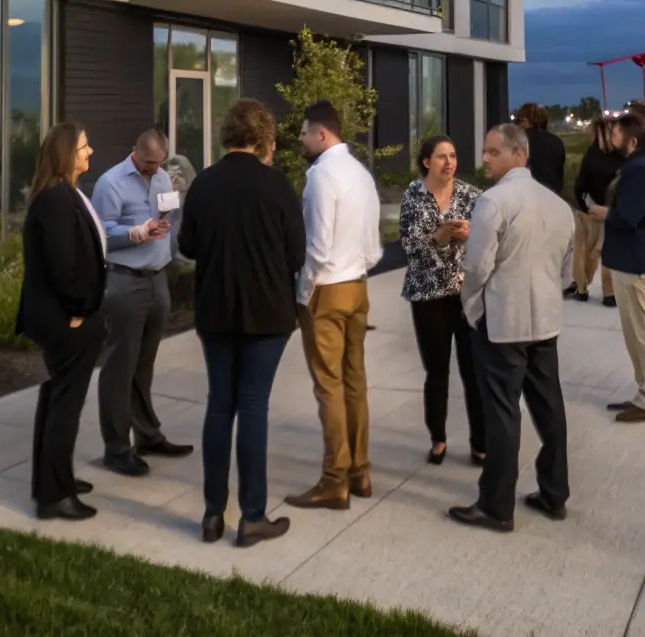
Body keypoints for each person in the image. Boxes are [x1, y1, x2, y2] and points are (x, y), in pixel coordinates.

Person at [178, 99, 306, 548]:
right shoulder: (278, 188)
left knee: (219, 405)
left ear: (227, 136)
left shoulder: (203, 185)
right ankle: (252, 516)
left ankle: (213, 513)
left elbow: (188, 246)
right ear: (264, 139)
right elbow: (296, 255)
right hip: (268, 314)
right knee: (253, 407)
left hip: (215, 310)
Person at [449, 124, 574, 533]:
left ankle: (496, 505)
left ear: (518, 154)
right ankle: (555, 493)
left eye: (492, 151)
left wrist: (470, 306)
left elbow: (477, 266)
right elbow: (567, 272)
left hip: (503, 322)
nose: (484, 158)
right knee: (549, 407)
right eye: (485, 151)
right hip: (545, 321)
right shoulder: (558, 205)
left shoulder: (493, 202)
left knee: (502, 414)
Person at [285, 100, 382, 512]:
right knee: (354, 381)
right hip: (358, 285)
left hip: (327, 288)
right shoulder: (361, 174)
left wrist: (303, 292)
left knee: (329, 386)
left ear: (322, 133)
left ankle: (333, 480)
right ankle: (359, 471)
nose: (302, 139)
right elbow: (374, 246)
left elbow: (317, 247)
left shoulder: (322, 176)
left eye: (305, 132)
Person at [16, 122, 107, 522]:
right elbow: (62, 269)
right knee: (64, 406)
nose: (90, 152)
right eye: (84, 147)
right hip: (65, 321)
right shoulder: (54, 199)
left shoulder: (64, 193)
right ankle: (55, 496)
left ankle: (55, 479)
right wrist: (80, 310)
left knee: (57, 400)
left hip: (70, 317)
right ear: (65, 153)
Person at [90, 128, 193, 475]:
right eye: (149, 163)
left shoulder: (163, 178)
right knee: (120, 367)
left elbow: (170, 221)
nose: (154, 169)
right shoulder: (111, 183)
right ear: (136, 152)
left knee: (143, 366)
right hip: (124, 281)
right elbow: (101, 234)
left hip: (157, 279)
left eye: (159, 162)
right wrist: (135, 233)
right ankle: (116, 448)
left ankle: (148, 435)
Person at [400, 135, 486, 466]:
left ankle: (480, 443)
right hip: (427, 294)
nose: (448, 162)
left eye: (452, 155)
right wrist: (437, 237)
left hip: (466, 292)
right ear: (426, 162)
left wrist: (470, 234)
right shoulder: (413, 196)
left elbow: (490, 237)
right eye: (440, 157)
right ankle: (438, 438)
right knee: (436, 372)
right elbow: (407, 247)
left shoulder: (470, 195)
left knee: (473, 372)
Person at [589, 112, 645, 424]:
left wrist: (601, 212)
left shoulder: (640, 169)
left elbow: (627, 217)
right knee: (637, 331)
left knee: (640, 332)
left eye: (617, 133)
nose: (612, 137)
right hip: (639, 257)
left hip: (634, 260)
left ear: (633, 140)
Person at [568, 116, 620, 305]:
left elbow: (580, 185)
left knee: (582, 251)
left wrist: (584, 206)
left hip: (588, 208)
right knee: (608, 252)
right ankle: (609, 293)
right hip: (612, 210)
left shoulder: (591, 154)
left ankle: (581, 288)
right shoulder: (620, 157)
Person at [515, 103, 566, 197]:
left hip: (529, 200)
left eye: (518, 121)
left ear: (526, 121)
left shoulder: (520, 143)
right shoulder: (557, 141)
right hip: (555, 199)